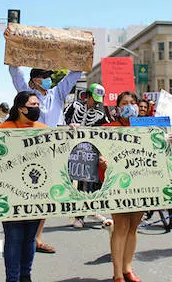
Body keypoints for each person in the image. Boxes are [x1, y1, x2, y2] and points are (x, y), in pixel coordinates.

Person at [0, 91, 47, 282]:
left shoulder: (43, 129)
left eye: (38, 104)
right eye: (33, 104)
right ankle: (12, 278)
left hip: (35, 194)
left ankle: (26, 275)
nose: (37, 108)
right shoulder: (5, 128)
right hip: (9, 194)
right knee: (14, 239)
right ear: (21, 108)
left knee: (30, 238)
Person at [9, 66, 82, 254]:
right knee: (29, 193)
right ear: (34, 80)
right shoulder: (28, 96)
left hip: (55, 151)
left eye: (49, 76)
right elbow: (15, 72)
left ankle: (36, 238)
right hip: (31, 151)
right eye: (44, 76)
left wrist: (82, 54)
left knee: (47, 197)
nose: (48, 79)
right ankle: (24, 237)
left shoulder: (57, 93)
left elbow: (74, 74)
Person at [101, 91, 142, 282]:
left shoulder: (147, 128)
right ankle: (118, 273)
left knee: (133, 227)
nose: (129, 106)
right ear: (118, 108)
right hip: (118, 184)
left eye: (132, 102)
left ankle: (127, 268)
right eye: (124, 103)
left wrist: (169, 142)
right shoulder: (109, 128)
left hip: (141, 184)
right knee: (121, 227)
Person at [63, 83, 111, 229]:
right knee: (67, 181)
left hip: (89, 153)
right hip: (70, 150)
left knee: (86, 183)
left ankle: (82, 215)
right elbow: (61, 122)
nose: (96, 102)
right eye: (94, 98)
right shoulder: (74, 106)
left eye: (99, 100)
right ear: (88, 96)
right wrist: (69, 126)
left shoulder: (101, 115)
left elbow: (107, 131)